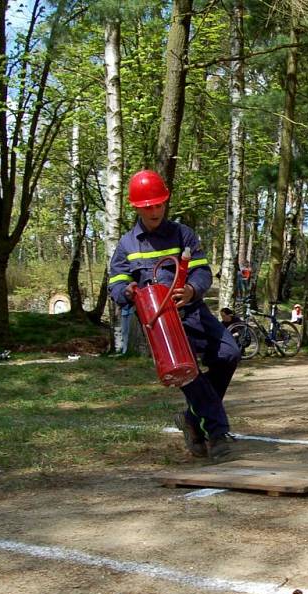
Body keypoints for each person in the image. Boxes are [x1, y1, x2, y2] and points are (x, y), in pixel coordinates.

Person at [108, 170, 241, 460]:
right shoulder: (127, 245)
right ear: (137, 207)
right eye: (147, 207)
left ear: (165, 203)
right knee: (187, 371)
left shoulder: (184, 234)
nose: (154, 211)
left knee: (229, 354)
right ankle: (217, 435)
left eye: (158, 205)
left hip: (194, 312)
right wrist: (127, 291)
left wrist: (192, 289)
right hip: (162, 325)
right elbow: (116, 282)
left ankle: (192, 419)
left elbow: (202, 270)